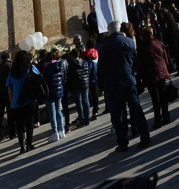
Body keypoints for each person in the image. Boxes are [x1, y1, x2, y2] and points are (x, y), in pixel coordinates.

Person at [98, 21, 151, 153]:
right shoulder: (129, 42)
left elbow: (101, 68)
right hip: (128, 80)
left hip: (113, 83)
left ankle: (123, 142)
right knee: (136, 109)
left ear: (109, 31)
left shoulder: (105, 46)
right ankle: (145, 137)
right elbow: (135, 61)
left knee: (117, 115)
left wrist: (101, 84)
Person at [136, 25, 173, 129]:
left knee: (155, 99)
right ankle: (166, 116)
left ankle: (158, 120)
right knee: (163, 96)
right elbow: (166, 57)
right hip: (161, 72)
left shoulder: (142, 48)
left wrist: (142, 77)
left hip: (151, 76)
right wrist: (167, 68)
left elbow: (141, 64)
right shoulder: (159, 43)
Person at [5, 50, 40, 154]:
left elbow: (9, 88)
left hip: (17, 103)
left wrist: (11, 101)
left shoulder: (12, 72)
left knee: (19, 127)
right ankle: (29, 144)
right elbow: (39, 78)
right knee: (29, 125)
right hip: (29, 100)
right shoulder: (30, 69)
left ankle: (22, 147)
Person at [41, 46, 68, 141]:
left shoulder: (47, 69)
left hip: (50, 92)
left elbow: (44, 81)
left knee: (52, 112)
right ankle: (62, 130)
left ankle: (55, 132)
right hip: (59, 90)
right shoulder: (60, 65)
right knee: (58, 110)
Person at [64, 46, 91, 129]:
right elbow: (89, 72)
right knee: (86, 101)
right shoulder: (85, 62)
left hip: (76, 86)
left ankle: (82, 120)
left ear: (72, 56)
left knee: (79, 103)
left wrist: (69, 86)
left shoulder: (72, 65)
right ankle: (87, 119)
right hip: (85, 84)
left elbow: (69, 77)